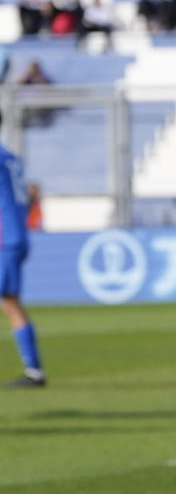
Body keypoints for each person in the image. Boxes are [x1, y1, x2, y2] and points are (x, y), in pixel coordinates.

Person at [0, 112, 45, 388]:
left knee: (10, 303)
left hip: (4, 241)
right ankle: (34, 371)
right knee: (10, 303)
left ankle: (35, 371)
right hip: (15, 237)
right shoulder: (10, 156)